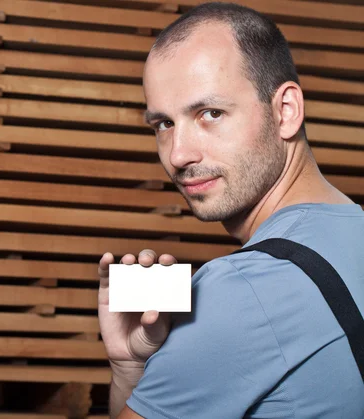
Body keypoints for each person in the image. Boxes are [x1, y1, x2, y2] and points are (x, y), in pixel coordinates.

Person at [97, 2, 364, 418]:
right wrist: (133, 365)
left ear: (285, 111)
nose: (179, 155)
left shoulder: (241, 290)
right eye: (163, 124)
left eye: (210, 114)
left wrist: (128, 375)